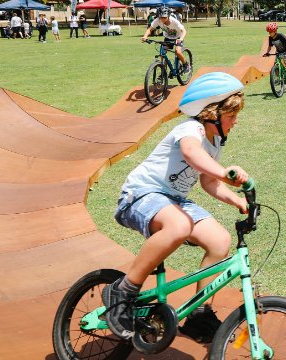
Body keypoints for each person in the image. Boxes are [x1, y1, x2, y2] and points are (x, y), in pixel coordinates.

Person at [103, 72, 251, 343]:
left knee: (220, 241)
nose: (235, 122)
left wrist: (238, 200)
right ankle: (123, 291)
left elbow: (208, 182)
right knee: (179, 225)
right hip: (142, 194)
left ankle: (199, 315)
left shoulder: (215, 142)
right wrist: (226, 172)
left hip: (173, 201)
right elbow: (191, 154)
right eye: (231, 116)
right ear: (212, 114)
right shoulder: (190, 129)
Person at [143, 7, 189, 73]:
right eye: (161, 17)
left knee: (178, 52)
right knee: (162, 54)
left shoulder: (174, 21)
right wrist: (145, 36)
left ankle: (185, 64)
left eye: (165, 17)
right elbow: (150, 29)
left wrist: (181, 39)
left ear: (168, 16)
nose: (163, 19)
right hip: (168, 38)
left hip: (178, 37)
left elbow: (184, 31)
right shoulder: (157, 20)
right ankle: (163, 73)